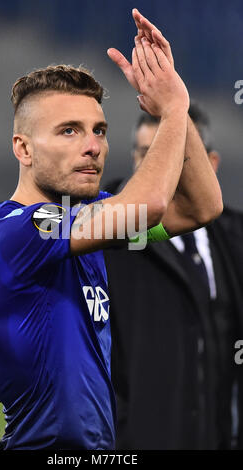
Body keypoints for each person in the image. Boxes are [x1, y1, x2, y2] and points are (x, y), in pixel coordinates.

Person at [0, 9, 222, 450]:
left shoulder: (89, 220)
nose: (92, 146)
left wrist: (176, 109)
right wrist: (173, 111)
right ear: (23, 148)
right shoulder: (16, 232)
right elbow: (150, 204)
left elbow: (201, 206)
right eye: (69, 131)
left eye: (99, 130)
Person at [104, 103, 243, 449]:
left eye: (167, 155)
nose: (152, 169)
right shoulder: (107, 233)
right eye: (144, 155)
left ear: (208, 166)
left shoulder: (234, 238)